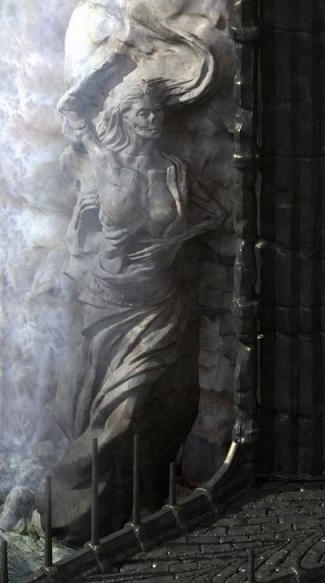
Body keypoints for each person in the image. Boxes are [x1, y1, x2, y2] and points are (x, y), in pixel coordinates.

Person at [49, 77, 224, 544]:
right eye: (141, 113)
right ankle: (78, 497)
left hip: (159, 304)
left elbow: (215, 215)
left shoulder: (174, 171)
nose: (152, 120)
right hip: (107, 300)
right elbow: (71, 110)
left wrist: (175, 241)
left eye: (155, 112)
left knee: (129, 411)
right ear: (123, 118)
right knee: (101, 402)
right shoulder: (103, 163)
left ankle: (72, 491)